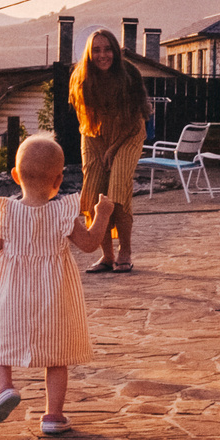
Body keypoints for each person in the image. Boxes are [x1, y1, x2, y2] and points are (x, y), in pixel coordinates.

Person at [0, 133, 114, 435]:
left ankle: (5, 388)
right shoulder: (64, 211)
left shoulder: (8, 212)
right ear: (58, 179)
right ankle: (53, 415)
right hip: (54, 295)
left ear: (15, 176)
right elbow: (91, 244)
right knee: (56, 356)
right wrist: (102, 214)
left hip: (10, 294)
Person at [69, 27, 148, 273]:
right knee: (94, 194)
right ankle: (107, 256)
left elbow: (134, 117)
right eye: (97, 50)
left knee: (117, 190)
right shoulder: (81, 77)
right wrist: (101, 149)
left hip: (128, 133)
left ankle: (125, 252)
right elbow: (86, 120)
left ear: (115, 50)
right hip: (94, 136)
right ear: (89, 53)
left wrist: (113, 150)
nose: (103, 55)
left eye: (107, 49)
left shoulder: (130, 74)